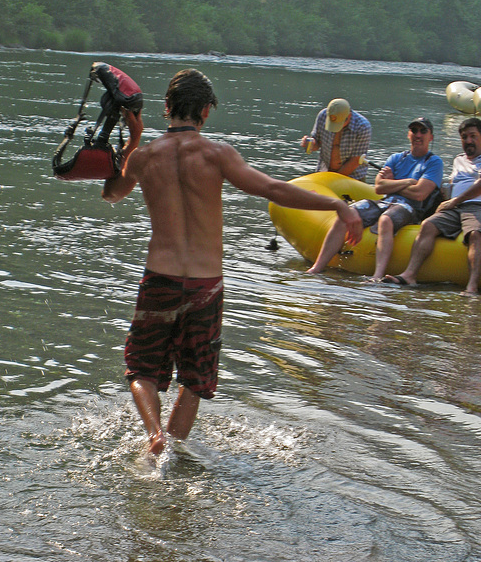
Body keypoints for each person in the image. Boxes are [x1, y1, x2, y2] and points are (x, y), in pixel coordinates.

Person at [102, 69, 363, 455]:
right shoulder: (217, 155)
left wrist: (134, 139)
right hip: (205, 283)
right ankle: (170, 449)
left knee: (141, 368)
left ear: (167, 108)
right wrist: (337, 204)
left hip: (160, 276)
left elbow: (112, 195)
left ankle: (154, 435)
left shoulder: (143, 158)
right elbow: (274, 189)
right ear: (206, 111)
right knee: (195, 379)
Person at [307, 117, 443, 281]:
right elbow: (378, 187)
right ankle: (317, 267)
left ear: (431, 137)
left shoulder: (434, 162)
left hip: (410, 208)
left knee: (386, 220)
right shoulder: (396, 158)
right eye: (414, 130)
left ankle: (377, 276)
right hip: (385, 202)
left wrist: (391, 183)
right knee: (346, 213)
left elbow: (420, 193)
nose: (418, 135)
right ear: (409, 134)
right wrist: (406, 182)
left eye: (423, 131)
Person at [383, 117, 481, 296]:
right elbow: (452, 183)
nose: (468, 141)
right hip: (455, 207)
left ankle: (472, 286)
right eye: (464, 137)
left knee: (476, 235)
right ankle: (410, 275)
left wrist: (454, 201)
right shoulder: (458, 160)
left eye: (473, 136)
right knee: (428, 225)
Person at [300, 98, 371, 181]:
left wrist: (333, 180)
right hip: (324, 173)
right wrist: (310, 144)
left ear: (349, 116)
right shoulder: (323, 116)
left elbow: (355, 161)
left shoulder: (363, 127)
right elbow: (317, 143)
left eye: (339, 124)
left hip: (353, 178)